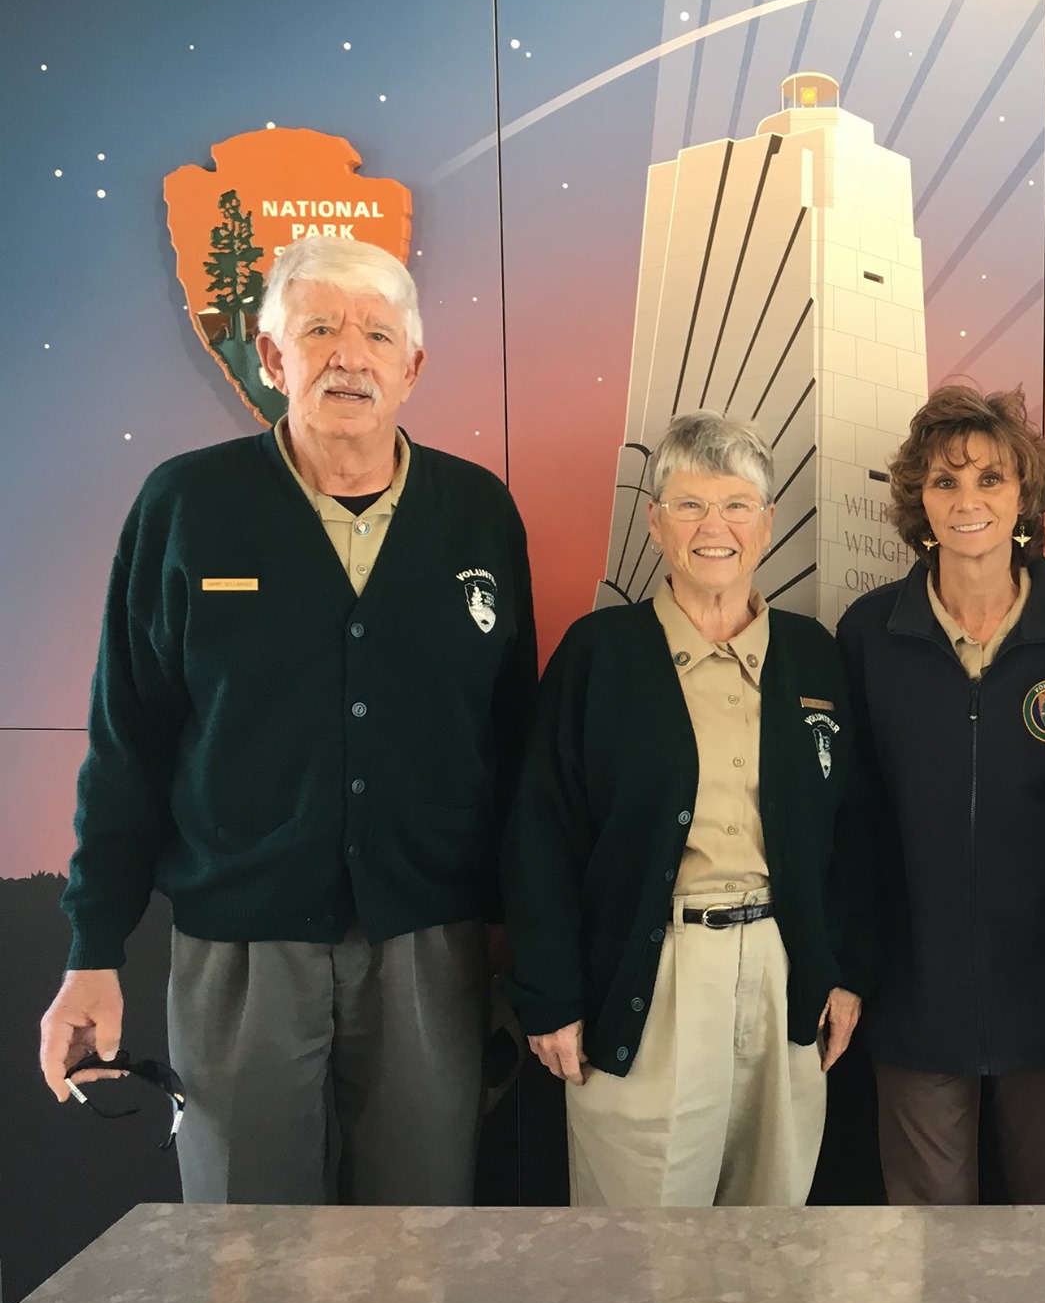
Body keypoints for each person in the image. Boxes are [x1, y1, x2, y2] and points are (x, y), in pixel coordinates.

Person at [39, 235, 536, 1204]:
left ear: (412, 366)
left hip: (428, 947)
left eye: (376, 335)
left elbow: (511, 740)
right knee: (245, 1260)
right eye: (319, 329)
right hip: (240, 949)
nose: (349, 355)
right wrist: (92, 949)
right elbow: (127, 744)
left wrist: (516, 924)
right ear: (271, 359)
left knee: (419, 1250)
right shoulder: (185, 507)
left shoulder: (478, 515)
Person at [503, 412, 876, 1207]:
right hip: (652, 979)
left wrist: (842, 975)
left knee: (771, 1237)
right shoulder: (598, 655)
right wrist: (551, 997)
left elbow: (851, 831)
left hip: (784, 975)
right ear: (654, 519)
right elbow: (540, 837)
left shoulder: (814, 654)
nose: (716, 528)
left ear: (768, 521)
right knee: (643, 1257)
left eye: (738, 505)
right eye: (689, 505)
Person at [837, 385, 1045, 1205]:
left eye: (990, 480)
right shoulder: (870, 634)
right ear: (918, 500)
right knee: (924, 1242)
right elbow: (851, 820)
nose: (967, 502)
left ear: (1023, 496)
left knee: (1043, 1229)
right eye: (945, 482)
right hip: (914, 993)